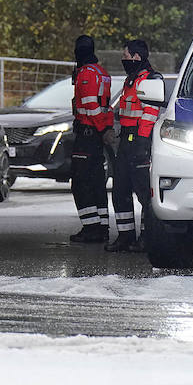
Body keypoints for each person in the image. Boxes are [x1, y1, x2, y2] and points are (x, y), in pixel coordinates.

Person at [107, 39, 163, 252]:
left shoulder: (150, 79)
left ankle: (147, 237)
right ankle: (125, 236)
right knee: (120, 190)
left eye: (126, 56)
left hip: (140, 141)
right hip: (126, 141)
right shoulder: (131, 79)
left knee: (144, 193)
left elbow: (150, 115)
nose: (124, 60)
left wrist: (141, 143)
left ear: (137, 57)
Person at [69, 34, 113, 243]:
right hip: (96, 135)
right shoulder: (102, 72)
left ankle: (91, 227)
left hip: (87, 133)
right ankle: (102, 225)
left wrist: (102, 128)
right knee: (97, 181)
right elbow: (104, 106)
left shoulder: (86, 73)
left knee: (80, 182)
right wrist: (106, 129)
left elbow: (90, 106)